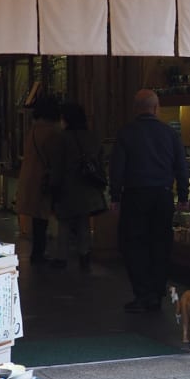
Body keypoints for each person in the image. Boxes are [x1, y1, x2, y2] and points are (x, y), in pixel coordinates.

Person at [109, 89, 189, 313]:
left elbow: (117, 168)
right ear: (156, 108)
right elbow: (182, 167)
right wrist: (183, 195)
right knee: (161, 244)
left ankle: (142, 293)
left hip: (135, 196)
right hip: (163, 196)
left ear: (136, 109)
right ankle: (156, 293)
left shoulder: (126, 133)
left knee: (133, 244)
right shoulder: (169, 134)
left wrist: (115, 196)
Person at [50, 101, 108, 271]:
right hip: (88, 188)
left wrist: (54, 187)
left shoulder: (62, 139)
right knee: (84, 223)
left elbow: (57, 166)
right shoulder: (92, 137)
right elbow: (100, 161)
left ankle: (62, 258)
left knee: (65, 223)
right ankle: (84, 256)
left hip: (68, 187)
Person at [15, 94, 61, 264]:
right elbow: (55, 158)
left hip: (32, 180)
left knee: (38, 219)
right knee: (43, 218)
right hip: (44, 180)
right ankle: (41, 253)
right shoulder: (53, 132)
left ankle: (38, 252)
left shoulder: (33, 130)